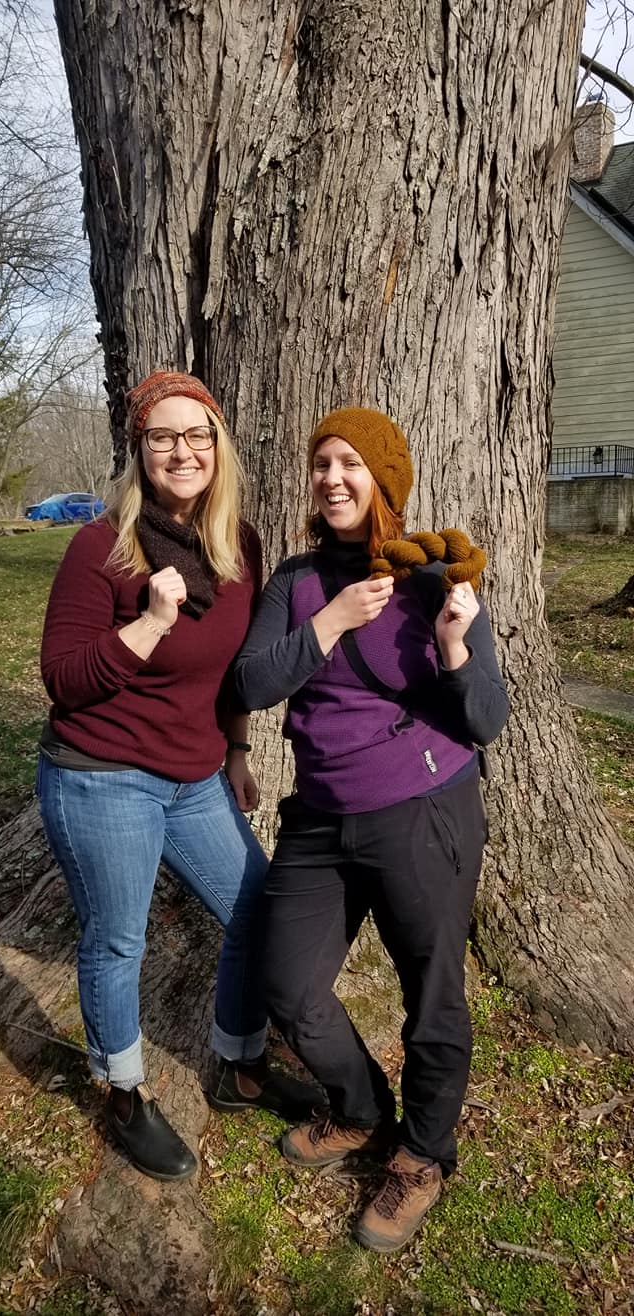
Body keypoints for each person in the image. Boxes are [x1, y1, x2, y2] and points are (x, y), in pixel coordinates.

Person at [234, 407, 510, 1252]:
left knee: (432, 992)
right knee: (289, 987)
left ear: (384, 479)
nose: (332, 478)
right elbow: (251, 683)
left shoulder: (433, 577)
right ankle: (360, 1111)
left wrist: (455, 643)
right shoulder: (295, 582)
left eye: (350, 463)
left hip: (423, 812)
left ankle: (422, 1157)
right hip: (319, 819)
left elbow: (487, 718)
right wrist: (333, 619)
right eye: (322, 463)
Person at [36, 370, 317, 1183]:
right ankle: (123, 1092)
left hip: (195, 775)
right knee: (119, 936)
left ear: (219, 447)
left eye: (198, 435)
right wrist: (151, 623)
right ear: (140, 450)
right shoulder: (101, 548)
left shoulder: (240, 546)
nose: (182, 451)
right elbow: (63, 679)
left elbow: (235, 673)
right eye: (163, 436)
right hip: (101, 776)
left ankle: (240, 1065)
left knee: (257, 906)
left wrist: (238, 751)